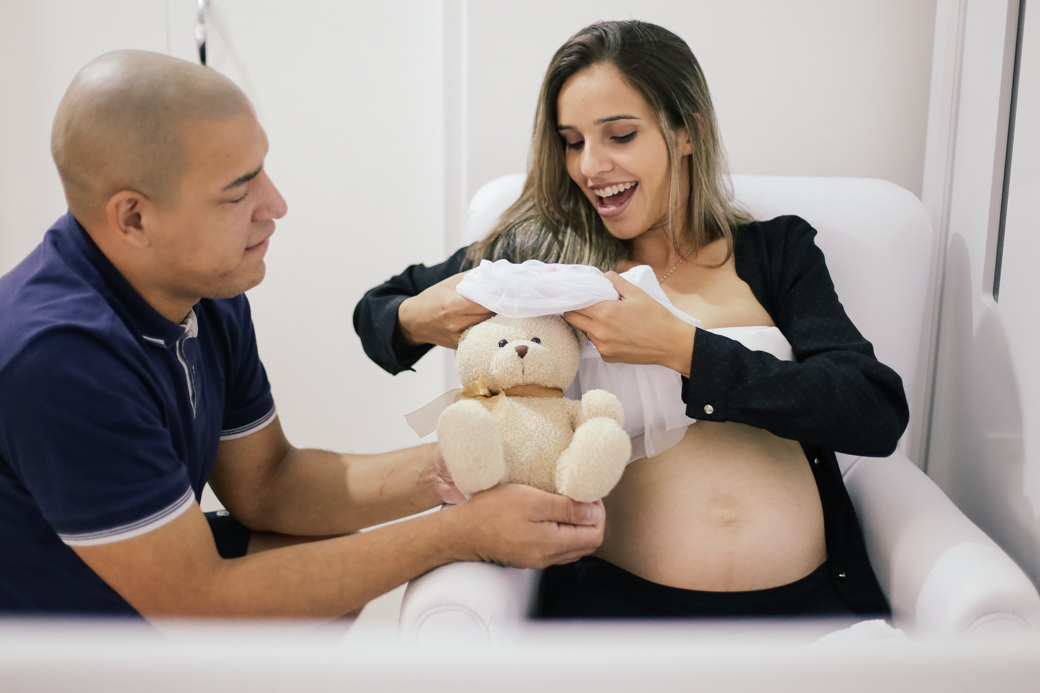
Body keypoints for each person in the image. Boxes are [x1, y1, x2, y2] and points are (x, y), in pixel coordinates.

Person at [0, 50, 606, 619]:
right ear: (133, 217)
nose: (276, 204)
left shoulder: (206, 291)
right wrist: (457, 533)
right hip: (57, 646)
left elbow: (270, 485)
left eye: (262, 170)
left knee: (312, 541)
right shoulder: (59, 358)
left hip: (146, 600)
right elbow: (197, 604)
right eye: (239, 190)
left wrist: (469, 465)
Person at [354, 20, 909, 619]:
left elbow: (872, 412)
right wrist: (417, 317)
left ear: (687, 131)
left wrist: (684, 350)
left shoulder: (775, 252)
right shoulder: (546, 255)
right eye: (572, 142)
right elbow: (377, 312)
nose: (591, 167)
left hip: (808, 611)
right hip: (616, 612)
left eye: (619, 134)